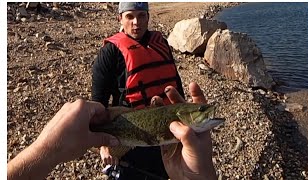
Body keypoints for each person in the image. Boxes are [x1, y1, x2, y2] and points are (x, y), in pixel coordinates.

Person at [7, 83, 217, 180]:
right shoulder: (110, 53)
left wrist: (45, 150)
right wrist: (48, 149)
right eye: (199, 111)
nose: (136, 22)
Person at [91, 2, 185, 179]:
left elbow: (177, 88)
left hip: (164, 134)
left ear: (148, 17)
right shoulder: (109, 52)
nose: (136, 22)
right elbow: (98, 104)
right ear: (120, 18)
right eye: (130, 16)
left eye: (142, 16)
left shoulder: (161, 44)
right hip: (129, 136)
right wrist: (103, 145)